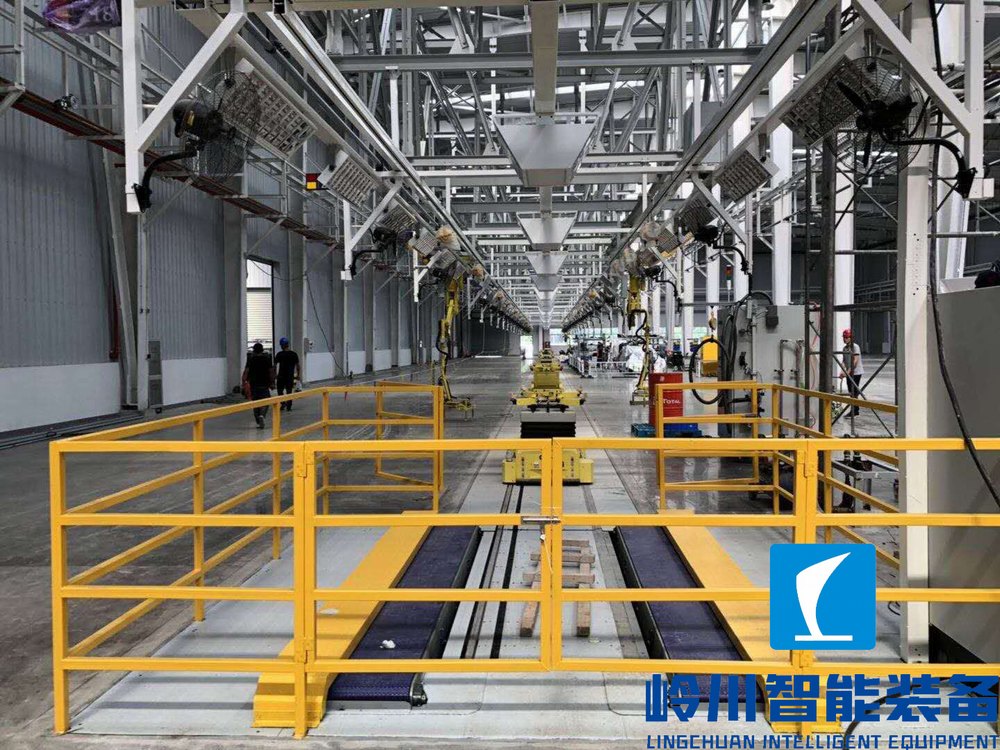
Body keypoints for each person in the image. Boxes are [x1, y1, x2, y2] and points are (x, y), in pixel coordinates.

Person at [242, 342, 274, 429]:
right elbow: (271, 371)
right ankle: (262, 415)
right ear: (262, 350)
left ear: (254, 350)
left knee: (255, 402)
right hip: (264, 384)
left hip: (253, 384)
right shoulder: (267, 359)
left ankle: (258, 420)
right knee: (266, 401)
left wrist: (243, 382)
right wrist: (272, 382)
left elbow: (246, 371)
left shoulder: (251, 360)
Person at [839, 328, 864, 417]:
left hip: (856, 372)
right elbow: (844, 361)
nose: (844, 339)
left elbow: (855, 361)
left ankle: (855, 411)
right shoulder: (845, 348)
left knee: (854, 391)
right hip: (849, 373)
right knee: (851, 391)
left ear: (851, 338)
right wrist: (842, 371)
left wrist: (848, 372)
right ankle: (854, 410)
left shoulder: (855, 347)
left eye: (846, 337)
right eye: (844, 337)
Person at [274, 337, 301, 412]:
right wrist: (298, 375)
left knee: (280, 391)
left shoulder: (279, 354)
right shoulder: (294, 354)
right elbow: (298, 366)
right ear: (287, 344)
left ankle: (283, 403)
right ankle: (289, 406)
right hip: (290, 376)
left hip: (281, 376)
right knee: (289, 391)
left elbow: (275, 366)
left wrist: (275, 374)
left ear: (282, 345)